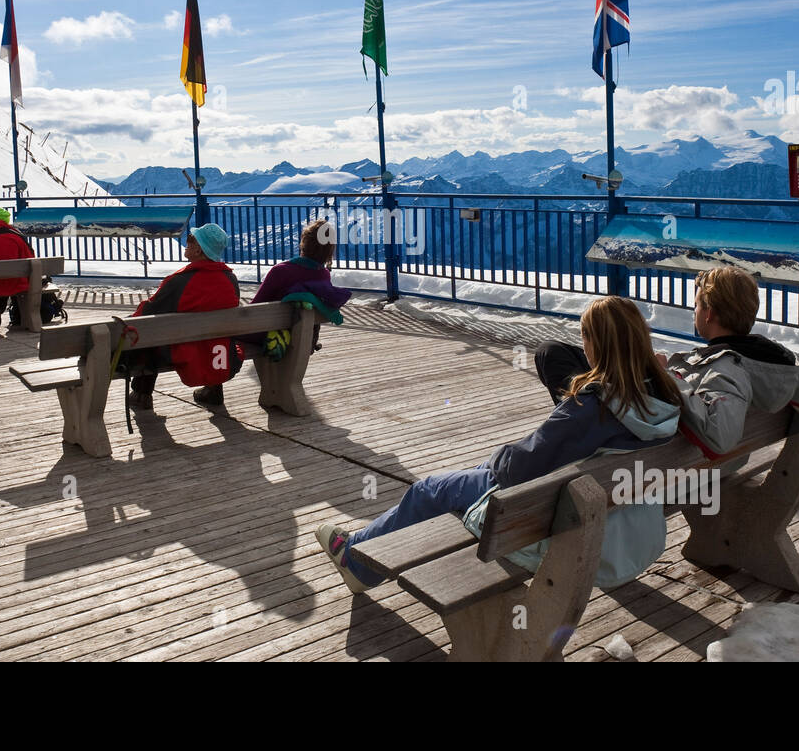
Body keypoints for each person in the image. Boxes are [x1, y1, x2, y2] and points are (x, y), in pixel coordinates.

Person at [316, 296, 683, 594]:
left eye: (585, 338)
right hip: (618, 516)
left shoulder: (593, 407)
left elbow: (519, 467)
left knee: (427, 490)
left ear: (596, 345)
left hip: (548, 514)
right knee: (469, 475)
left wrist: (502, 455)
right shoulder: (663, 397)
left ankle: (355, 560)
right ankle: (362, 544)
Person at [535, 266, 799, 456]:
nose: (694, 311)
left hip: (649, 450)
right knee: (554, 351)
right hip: (659, 423)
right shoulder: (776, 360)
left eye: (696, 305)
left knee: (552, 355)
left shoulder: (727, 371)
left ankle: (572, 433)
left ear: (709, 313)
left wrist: (665, 376)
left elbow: (720, 438)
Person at [122, 222, 243, 411]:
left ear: (199, 250)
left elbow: (145, 315)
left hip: (184, 354)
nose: (187, 243)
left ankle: (141, 393)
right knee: (212, 330)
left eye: (191, 240)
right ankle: (213, 389)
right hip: (222, 355)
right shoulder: (230, 279)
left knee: (149, 331)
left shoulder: (180, 282)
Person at [249, 217, 351, 351]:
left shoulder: (280, 271)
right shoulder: (323, 275)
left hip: (268, 339)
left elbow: (255, 308)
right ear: (329, 251)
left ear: (304, 243)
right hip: (305, 343)